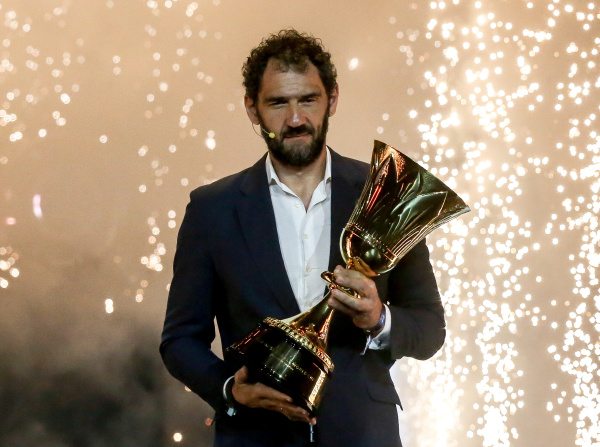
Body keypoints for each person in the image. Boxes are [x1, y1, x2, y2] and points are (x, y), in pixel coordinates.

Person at [160, 29, 446, 447]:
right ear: (252, 109)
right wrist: (230, 390)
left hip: (363, 434)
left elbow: (430, 329)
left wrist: (378, 319)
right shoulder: (212, 209)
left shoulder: (385, 195)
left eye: (308, 100)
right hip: (255, 437)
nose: (295, 119)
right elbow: (180, 340)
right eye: (278, 103)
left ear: (332, 99)